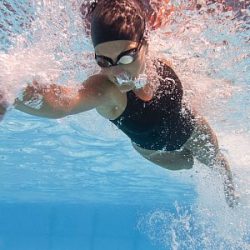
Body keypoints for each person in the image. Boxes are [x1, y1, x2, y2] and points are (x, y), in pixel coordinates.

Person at [0, 0, 238, 207]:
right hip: (155, 151)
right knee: (186, 164)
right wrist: (12, 87)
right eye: (103, 61)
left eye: (125, 57)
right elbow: (61, 103)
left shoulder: (162, 61)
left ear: (146, 46)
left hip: (191, 128)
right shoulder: (107, 91)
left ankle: (233, 200)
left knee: (216, 160)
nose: (116, 70)